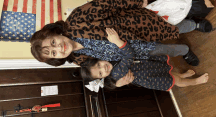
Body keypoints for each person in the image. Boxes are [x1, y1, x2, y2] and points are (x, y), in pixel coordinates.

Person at [30, 0, 213, 66]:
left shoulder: (76, 19)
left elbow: (107, 3)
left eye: (53, 43)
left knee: (170, 27)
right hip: (137, 50)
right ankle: (185, 51)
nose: (58, 48)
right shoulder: (78, 59)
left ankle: (195, 24)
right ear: (56, 59)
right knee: (165, 48)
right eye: (53, 53)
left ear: (56, 32)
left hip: (137, 26)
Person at [80, 28, 209, 92]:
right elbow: (128, 56)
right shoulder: (116, 73)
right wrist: (118, 41)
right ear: (102, 78)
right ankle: (196, 82)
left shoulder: (111, 67)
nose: (104, 67)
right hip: (149, 76)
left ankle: (182, 74)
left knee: (170, 73)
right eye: (101, 73)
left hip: (148, 69)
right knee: (175, 81)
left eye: (99, 64)